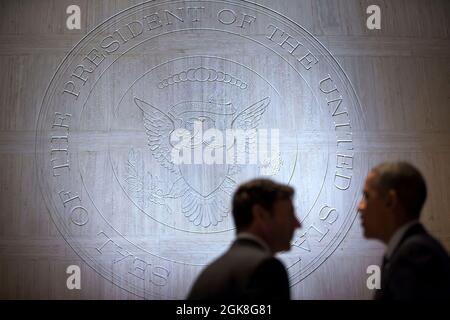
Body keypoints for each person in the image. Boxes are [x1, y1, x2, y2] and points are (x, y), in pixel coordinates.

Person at [187, 178, 301, 300]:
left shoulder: (209, 273)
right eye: (290, 214)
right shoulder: (266, 269)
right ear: (261, 215)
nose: (298, 224)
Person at [358, 161, 450, 300]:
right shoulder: (406, 252)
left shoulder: (417, 255)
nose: (360, 206)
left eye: (367, 196)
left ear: (390, 201)